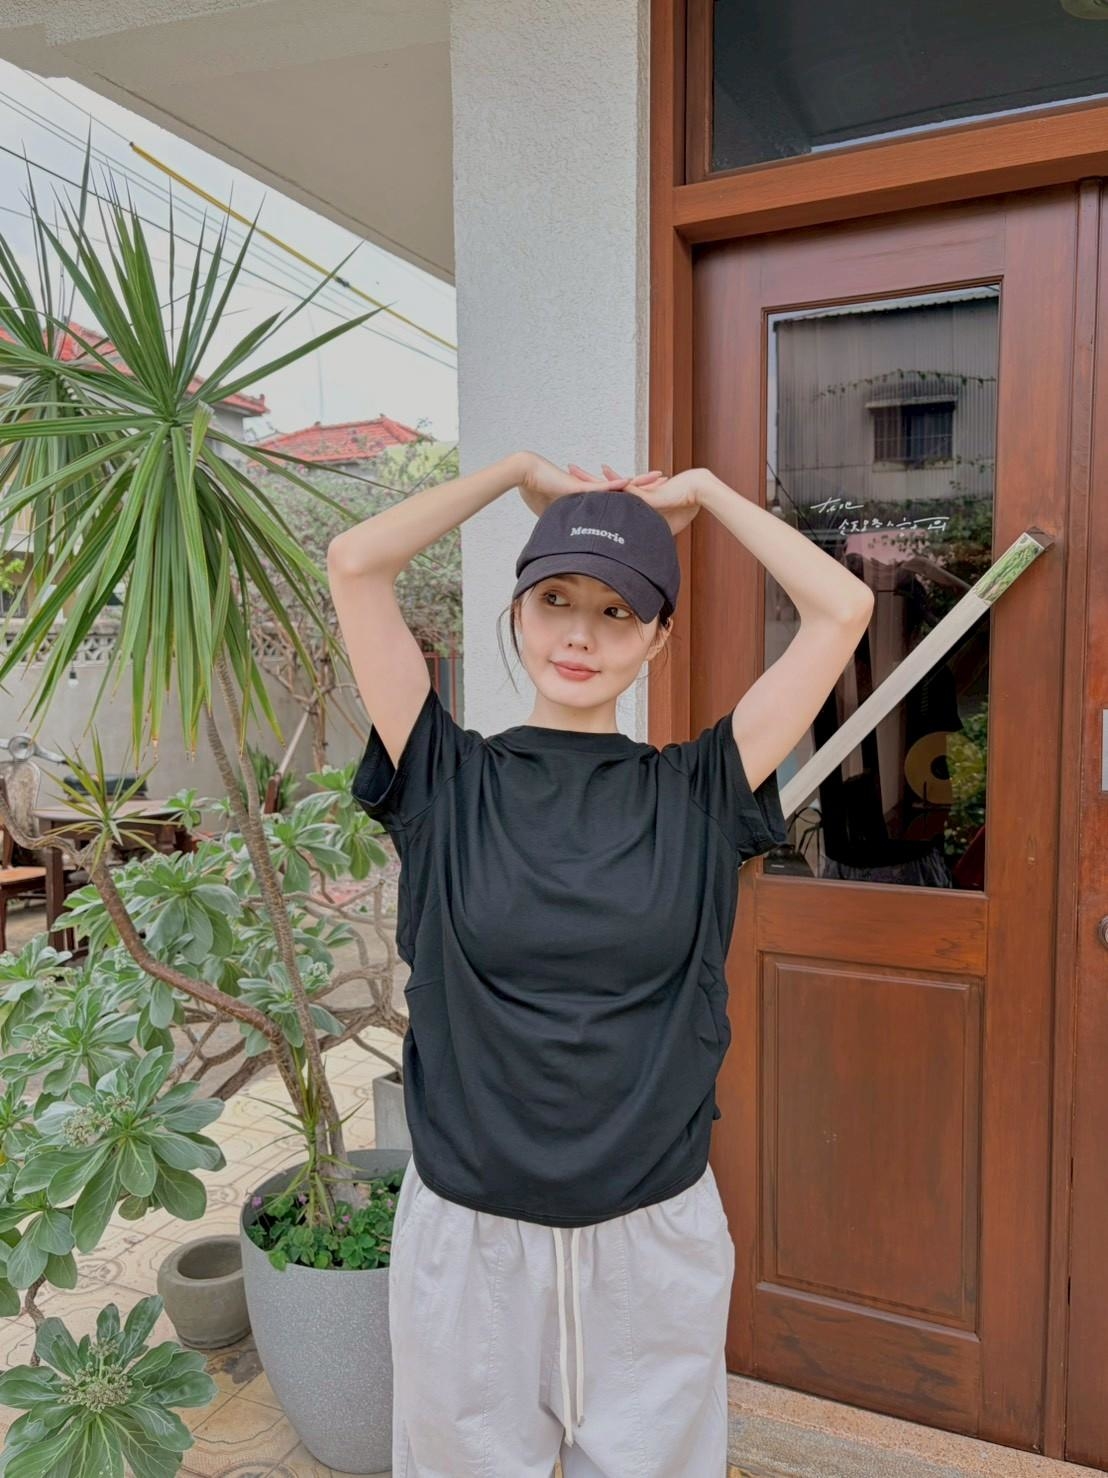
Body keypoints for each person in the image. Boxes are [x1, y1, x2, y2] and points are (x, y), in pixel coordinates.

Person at [327, 452, 873, 1478]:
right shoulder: (444, 778)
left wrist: (704, 493)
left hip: (650, 1237)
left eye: (619, 611)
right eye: (556, 600)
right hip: (471, 1235)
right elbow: (356, 561)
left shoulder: (703, 789)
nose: (580, 635)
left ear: (660, 636)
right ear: (518, 612)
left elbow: (841, 608)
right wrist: (510, 475)